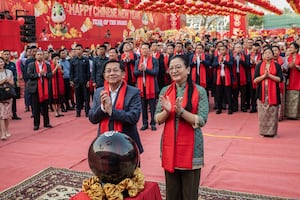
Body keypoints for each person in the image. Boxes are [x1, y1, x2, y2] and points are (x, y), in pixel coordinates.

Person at [155, 55, 209, 200]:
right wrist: (167, 111)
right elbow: (157, 119)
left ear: (188, 70)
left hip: (192, 149)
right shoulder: (165, 91)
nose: (174, 70)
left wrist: (181, 112)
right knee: (172, 193)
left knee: (189, 193)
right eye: (171, 68)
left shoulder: (200, 91)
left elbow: (201, 120)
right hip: (169, 145)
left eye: (178, 67)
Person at [88, 60, 143, 154]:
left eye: (115, 70)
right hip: (104, 144)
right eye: (108, 71)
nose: (112, 73)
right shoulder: (99, 92)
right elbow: (92, 118)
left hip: (127, 144)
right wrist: (102, 108)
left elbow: (134, 117)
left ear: (123, 74)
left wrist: (111, 112)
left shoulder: (133, 92)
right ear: (105, 75)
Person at [253, 47, 283, 137]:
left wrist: (269, 75)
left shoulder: (277, 66)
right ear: (262, 55)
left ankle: (272, 133)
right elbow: (255, 80)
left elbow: (280, 79)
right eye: (266, 53)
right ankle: (263, 132)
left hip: (273, 92)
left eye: (269, 53)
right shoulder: (259, 65)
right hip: (261, 93)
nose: (268, 55)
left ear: (273, 55)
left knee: (273, 113)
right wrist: (264, 76)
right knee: (262, 114)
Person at [134, 43, 159, 131]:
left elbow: (155, 72)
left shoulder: (154, 60)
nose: (144, 50)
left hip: (151, 87)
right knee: (143, 107)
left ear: (149, 50)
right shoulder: (138, 61)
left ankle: (153, 123)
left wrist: (146, 69)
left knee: (152, 107)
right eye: (142, 49)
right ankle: (145, 123)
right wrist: (141, 70)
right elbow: (135, 73)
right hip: (141, 87)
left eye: (146, 49)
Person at [26, 49, 53, 131]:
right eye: (38, 54)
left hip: (45, 88)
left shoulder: (47, 65)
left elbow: (50, 75)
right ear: (35, 56)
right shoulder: (31, 65)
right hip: (35, 89)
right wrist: (38, 74)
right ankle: (36, 124)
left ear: (43, 56)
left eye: (41, 54)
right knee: (36, 108)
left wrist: (44, 74)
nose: (40, 56)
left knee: (45, 107)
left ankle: (46, 123)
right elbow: (29, 75)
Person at [70, 44, 91, 117]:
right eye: (76, 49)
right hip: (76, 81)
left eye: (79, 49)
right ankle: (78, 112)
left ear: (82, 50)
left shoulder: (86, 59)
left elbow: (88, 71)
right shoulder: (73, 60)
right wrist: (71, 80)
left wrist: (88, 80)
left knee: (86, 97)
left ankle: (87, 112)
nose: (78, 51)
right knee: (78, 97)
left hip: (85, 81)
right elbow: (71, 71)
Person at [3, 50, 21, 119]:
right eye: (5, 54)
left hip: (12, 84)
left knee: (13, 99)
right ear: (3, 55)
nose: (6, 55)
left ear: (10, 56)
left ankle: (14, 113)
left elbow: (15, 74)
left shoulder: (12, 64)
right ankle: (5, 114)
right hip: (3, 85)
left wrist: (15, 82)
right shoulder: (1, 64)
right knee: (4, 99)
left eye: (8, 54)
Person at [0, 57, 14, 140]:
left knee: (7, 114)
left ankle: (7, 129)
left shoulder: (9, 72)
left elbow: (12, 83)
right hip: (0, 96)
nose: (0, 64)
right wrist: (3, 81)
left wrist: (7, 81)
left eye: (1, 62)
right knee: (1, 115)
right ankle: (3, 132)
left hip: (8, 94)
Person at [285, 42, 300, 119]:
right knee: (289, 96)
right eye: (289, 47)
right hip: (290, 78)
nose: (290, 49)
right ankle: (289, 114)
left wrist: (296, 66)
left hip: (298, 78)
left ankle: (297, 114)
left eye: (291, 47)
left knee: (297, 96)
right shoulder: (287, 58)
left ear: (296, 49)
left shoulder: (299, 57)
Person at [50, 53, 65, 117]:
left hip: (60, 83)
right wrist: (56, 68)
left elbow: (63, 73)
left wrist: (60, 68)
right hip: (53, 84)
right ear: (52, 59)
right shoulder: (49, 66)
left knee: (60, 97)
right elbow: (51, 74)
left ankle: (59, 110)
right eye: (55, 59)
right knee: (53, 98)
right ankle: (55, 111)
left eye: (58, 59)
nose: (56, 60)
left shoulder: (60, 65)